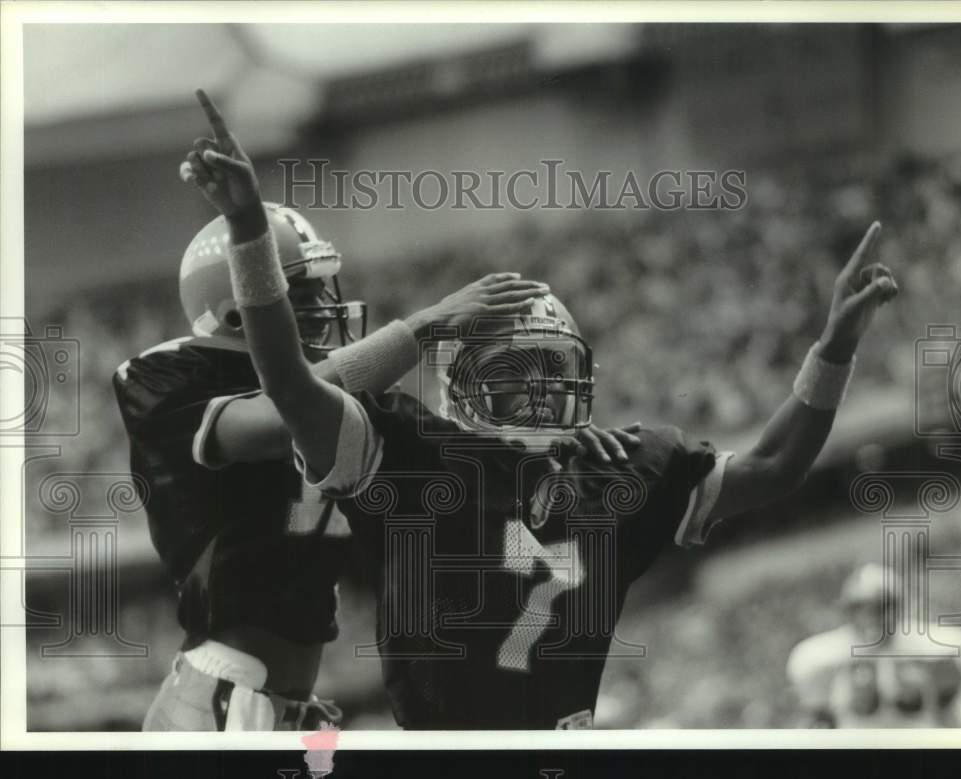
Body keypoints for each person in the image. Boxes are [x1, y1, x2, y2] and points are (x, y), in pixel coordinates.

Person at [186, 88, 900, 729]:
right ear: (460, 382)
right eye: (515, 369)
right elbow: (288, 381)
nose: (538, 388)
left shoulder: (617, 464)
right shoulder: (403, 449)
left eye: (550, 367)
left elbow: (774, 466)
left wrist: (833, 350)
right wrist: (250, 229)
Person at [116, 189, 636, 733]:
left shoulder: (345, 409)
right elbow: (280, 413)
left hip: (281, 703)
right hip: (221, 698)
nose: (323, 307)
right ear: (236, 312)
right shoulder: (166, 380)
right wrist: (425, 324)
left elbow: (451, 451)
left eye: (322, 290)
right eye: (303, 293)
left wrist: (545, 434)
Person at [786, 564, 961, 728]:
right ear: (848, 612)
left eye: (881, 608)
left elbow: (953, 710)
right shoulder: (821, 657)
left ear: (899, 607)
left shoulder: (934, 646)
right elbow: (818, 719)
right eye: (861, 609)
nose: (872, 618)